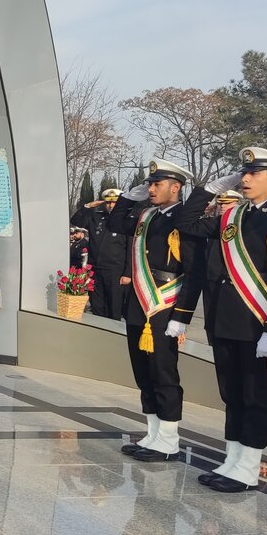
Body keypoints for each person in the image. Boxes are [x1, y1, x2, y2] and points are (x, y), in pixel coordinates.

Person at [173, 147, 267, 493]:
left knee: (254, 395)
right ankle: (232, 460)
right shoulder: (233, 215)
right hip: (224, 320)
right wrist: (208, 190)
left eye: (254, 174)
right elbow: (186, 224)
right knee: (231, 393)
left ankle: (249, 467)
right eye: (244, 173)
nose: (246, 179)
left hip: (257, 323)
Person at [107, 160, 205, 462]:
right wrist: (127, 199)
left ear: (175, 188)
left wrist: (182, 316)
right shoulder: (146, 216)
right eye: (150, 183)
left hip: (164, 304)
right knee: (144, 373)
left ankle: (169, 439)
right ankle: (152, 434)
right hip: (140, 303)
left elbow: (194, 273)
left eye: (157, 184)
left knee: (163, 373)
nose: (150, 189)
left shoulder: (185, 220)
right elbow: (115, 224)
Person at [72, 188, 129, 319]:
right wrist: (88, 206)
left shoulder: (126, 220)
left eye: (114, 202)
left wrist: (127, 273)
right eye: (108, 202)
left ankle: (112, 330)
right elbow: (76, 221)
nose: (111, 205)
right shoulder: (97, 218)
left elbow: (130, 248)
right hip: (95, 269)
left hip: (115, 271)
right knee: (97, 305)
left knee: (114, 306)